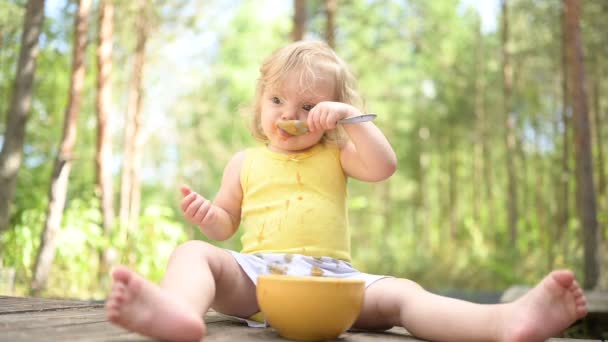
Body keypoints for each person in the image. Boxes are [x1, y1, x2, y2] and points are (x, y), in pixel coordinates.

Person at [106, 40, 588, 342]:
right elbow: (227, 224)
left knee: (404, 295)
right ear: (260, 104)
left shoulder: (336, 154)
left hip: (333, 282)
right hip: (261, 284)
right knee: (193, 252)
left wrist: (349, 118)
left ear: (330, 114)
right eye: (277, 100)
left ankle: (503, 324)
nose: (287, 113)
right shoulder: (244, 162)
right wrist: (207, 213)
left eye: (308, 104)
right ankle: (178, 315)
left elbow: (385, 166)